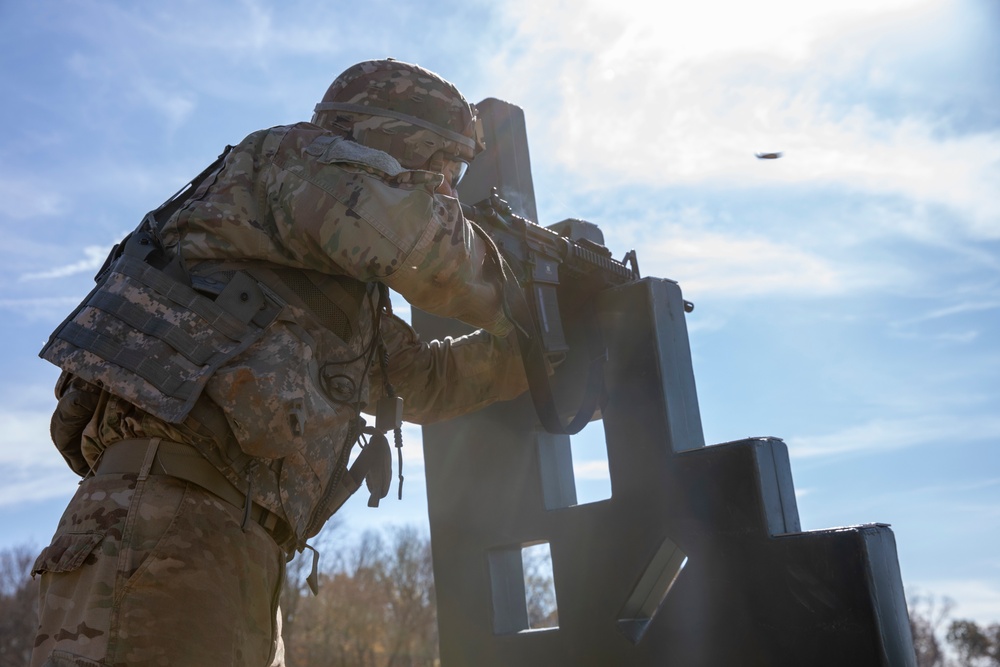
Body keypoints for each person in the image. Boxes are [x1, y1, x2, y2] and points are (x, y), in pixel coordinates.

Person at [30, 58, 528, 667]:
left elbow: (420, 381)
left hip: (225, 538)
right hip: (164, 516)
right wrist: (532, 291)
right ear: (393, 145)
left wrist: (532, 357)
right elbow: (423, 243)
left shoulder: (319, 278)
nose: (446, 192)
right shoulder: (291, 162)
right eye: (442, 170)